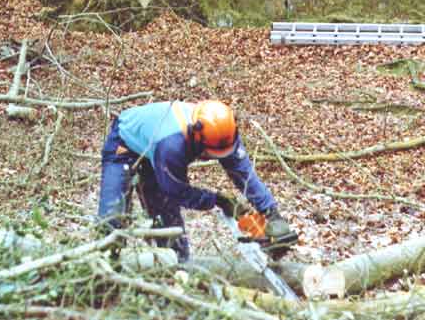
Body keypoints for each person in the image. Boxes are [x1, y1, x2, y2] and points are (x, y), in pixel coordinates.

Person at [97, 99, 292, 263]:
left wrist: (270, 212)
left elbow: (244, 173)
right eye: (211, 153)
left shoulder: (223, 132)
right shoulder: (172, 145)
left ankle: (179, 270)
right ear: (196, 135)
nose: (215, 157)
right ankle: (104, 269)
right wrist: (216, 200)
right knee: (112, 217)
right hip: (124, 147)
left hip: (157, 150)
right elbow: (176, 190)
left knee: (167, 221)